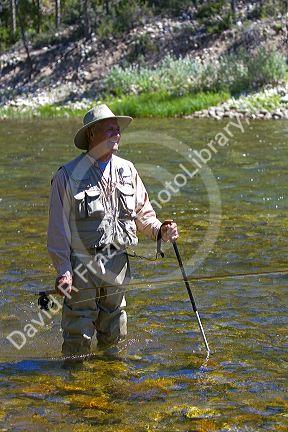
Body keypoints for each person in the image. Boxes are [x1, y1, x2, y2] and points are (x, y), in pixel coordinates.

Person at [47, 104, 179, 357]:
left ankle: (109, 386)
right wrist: (63, 271)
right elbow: (57, 229)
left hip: (118, 263)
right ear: (91, 135)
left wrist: (161, 231)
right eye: (110, 130)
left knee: (115, 333)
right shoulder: (67, 175)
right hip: (82, 266)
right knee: (78, 336)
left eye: (117, 130)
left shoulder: (128, 170)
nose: (116, 134)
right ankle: (74, 388)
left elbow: (144, 214)